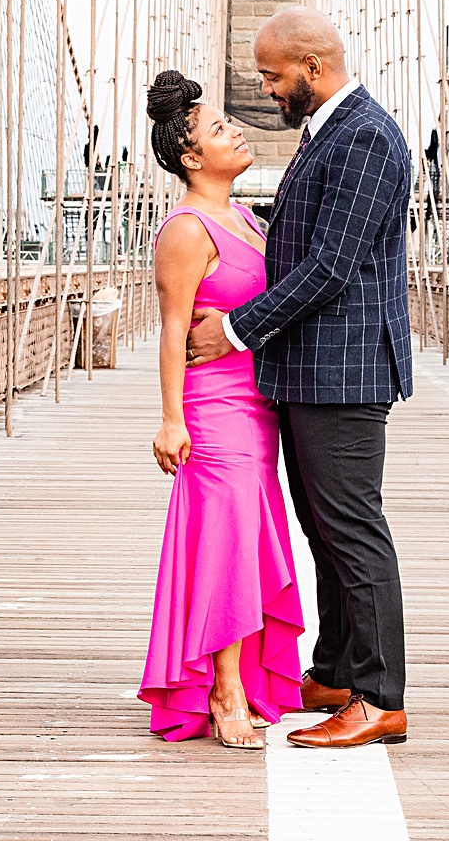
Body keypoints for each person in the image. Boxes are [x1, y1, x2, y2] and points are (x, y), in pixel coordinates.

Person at [187, 7, 413, 749]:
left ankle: (379, 697)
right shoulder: (330, 135)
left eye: (272, 75)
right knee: (324, 527)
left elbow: (330, 266)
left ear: (312, 69)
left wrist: (235, 327)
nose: (265, 89)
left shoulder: (368, 138)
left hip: (345, 373)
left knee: (353, 529)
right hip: (313, 370)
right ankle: (339, 671)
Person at [138, 70, 303, 748]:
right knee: (227, 545)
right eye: (217, 128)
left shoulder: (247, 219)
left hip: (257, 408)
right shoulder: (186, 228)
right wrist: (171, 418)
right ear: (190, 158)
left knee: (246, 543)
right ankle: (226, 688)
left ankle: (233, 677)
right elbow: (174, 327)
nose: (235, 129)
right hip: (212, 412)